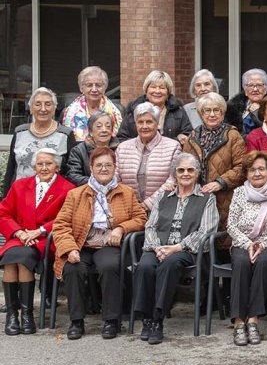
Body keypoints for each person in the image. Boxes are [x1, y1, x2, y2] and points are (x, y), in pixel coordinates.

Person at [51, 147, 147, 340]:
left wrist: (121, 228)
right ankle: (76, 321)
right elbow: (60, 225)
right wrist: (69, 249)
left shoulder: (126, 192)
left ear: (115, 167)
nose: (104, 169)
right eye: (99, 165)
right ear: (91, 167)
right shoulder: (76, 194)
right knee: (72, 268)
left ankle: (112, 320)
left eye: (108, 165)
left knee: (109, 266)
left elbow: (141, 218)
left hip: (109, 244)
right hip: (81, 243)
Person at [133, 153, 219, 345]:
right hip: (159, 247)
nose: (185, 174)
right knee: (145, 266)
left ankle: (157, 319)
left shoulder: (207, 198)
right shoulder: (164, 196)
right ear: (175, 174)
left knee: (170, 264)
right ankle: (147, 319)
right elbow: (151, 226)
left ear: (197, 173)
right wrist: (157, 248)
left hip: (186, 251)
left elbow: (206, 231)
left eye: (190, 170)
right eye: (181, 170)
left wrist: (177, 247)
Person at [0, 149, 75, 335]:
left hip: (46, 240)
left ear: (57, 167)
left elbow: (67, 218)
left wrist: (40, 231)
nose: (44, 168)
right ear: (34, 166)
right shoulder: (19, 185)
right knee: (11, 259)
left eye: (49, 164)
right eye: (40, 164)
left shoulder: (68, 189)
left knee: (23, 259)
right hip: (20, 237)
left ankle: (27, 315)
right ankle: (12, 315)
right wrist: (18, 232)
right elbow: (4, 213)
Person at [227, 151, 267, 346]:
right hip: (243, 242)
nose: (257, 173)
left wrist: (262, 244)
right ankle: (239, 321)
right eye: (252, 170)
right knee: (241, 262)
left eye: (261, 169)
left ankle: (253, 319)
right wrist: (248, 244)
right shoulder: (239, 193)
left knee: (263, 262)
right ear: (246, 173)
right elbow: (231, 225)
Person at [181, 93, 246, 247]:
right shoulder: (193, 136)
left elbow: (242, 167)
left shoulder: (232, 135)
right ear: (200, 113)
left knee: (223, 242)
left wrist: (220, 182)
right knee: (199, 243)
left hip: (225, 198)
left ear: (223, 113)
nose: (212, 114)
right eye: (207, 110)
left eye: (216, 110)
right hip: (199, 198)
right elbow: (185, 165)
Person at [2, 87, 76, 198]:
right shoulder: (20, 132)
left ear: (54, 108)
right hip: (20, 196)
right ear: (31, 109)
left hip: (52, 198)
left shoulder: (65, 134)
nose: (43, 109)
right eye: (37, 104)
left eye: (48, 104)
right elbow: (11, 169)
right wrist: (5, 198)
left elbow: (71, 172)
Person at [115, 103, 182, 211]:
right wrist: (131, 205)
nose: (144, 126)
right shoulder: (122, 148)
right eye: (140, 122)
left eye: (149, 122)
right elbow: (116, 179)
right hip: (128, 209)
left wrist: (147, 205)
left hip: (161, 209)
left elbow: (173, 180)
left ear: (157, 123)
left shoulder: (173, 146)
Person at [117, 70, 193, 143]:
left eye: (162, 88)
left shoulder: (178, 111)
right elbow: (122, 138)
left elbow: (188, 136)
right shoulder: (134, 110)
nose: (157, 91)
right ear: (146, 90)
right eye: (153, 87)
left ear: (168, 92)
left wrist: (175, 142)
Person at [61, 66, 123, 142]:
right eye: (89, 85)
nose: (94, 89)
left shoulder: (117, 111)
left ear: (104, 88)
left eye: (98, 85)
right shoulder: (68, 112)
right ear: (81, 88)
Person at [67, 111, 120, 186]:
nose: (104, 130)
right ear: (90, 131)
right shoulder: (79, 150)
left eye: (108, 126)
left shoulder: (121, 149)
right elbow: (73, 175)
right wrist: (97, 183)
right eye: (99, 126)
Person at [225, 68, 267, 137]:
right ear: (245, 90)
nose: (255, 89)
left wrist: (256, 113)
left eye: (259, 85)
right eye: (250, 85)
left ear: (265, 89)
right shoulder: (232, 108)